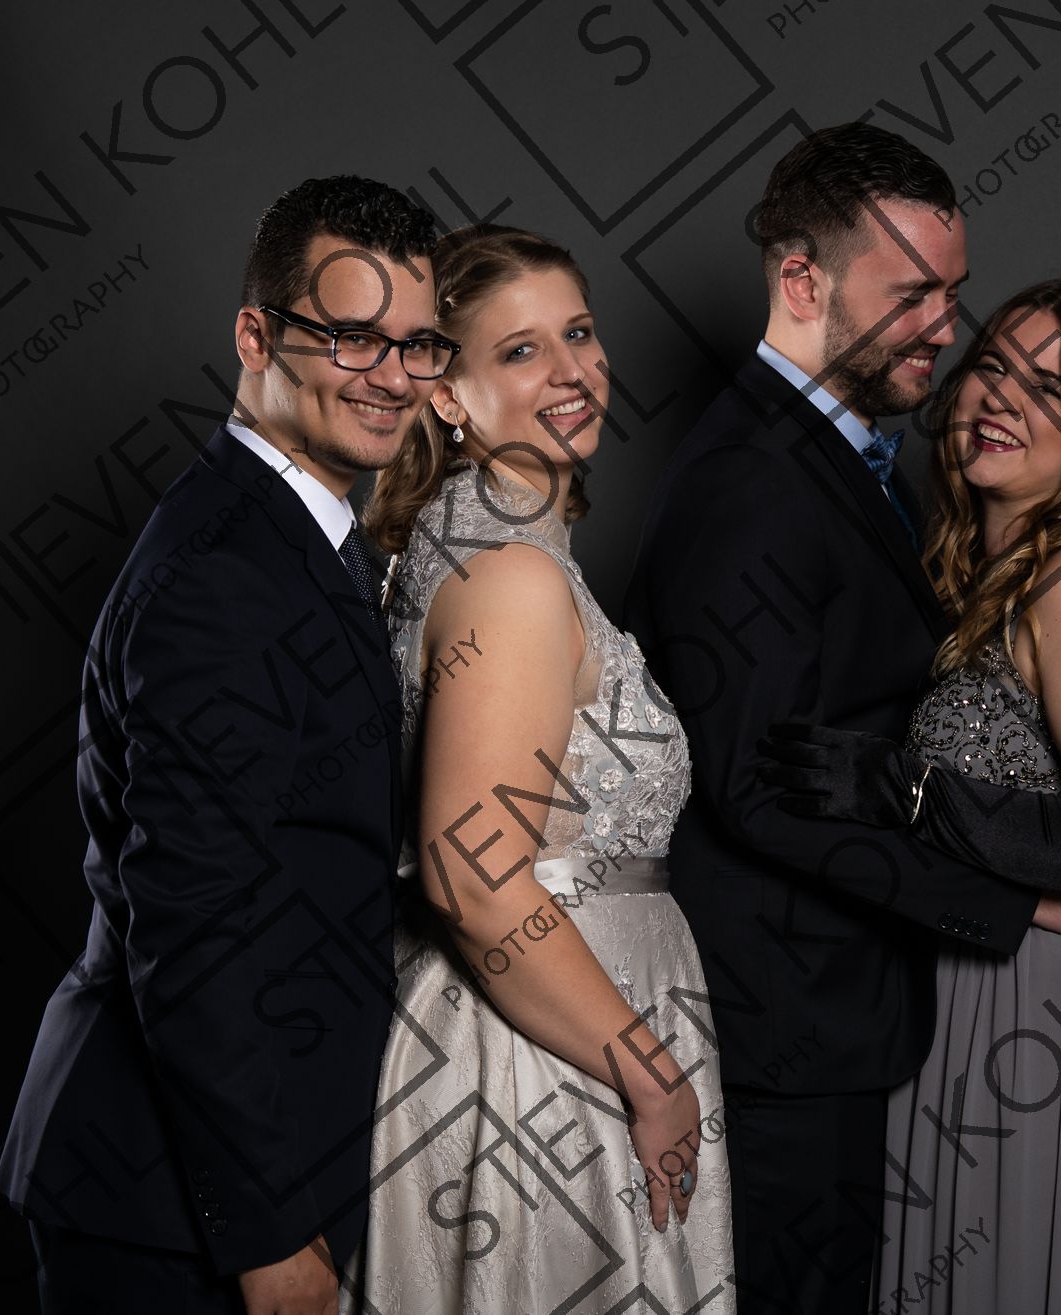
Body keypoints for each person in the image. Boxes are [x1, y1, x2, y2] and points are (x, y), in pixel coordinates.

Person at [622, 123, 1061, 1314]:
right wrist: (1006, 902)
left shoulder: (837, 459)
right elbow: (755, 790)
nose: (943, 328)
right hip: (783, 1029)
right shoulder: (753, 481)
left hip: (845, 1015)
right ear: (801, 281)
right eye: (910, 294)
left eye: (951, 294)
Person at [0, 175, 441, 1313]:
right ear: (255, 336)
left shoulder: (298, 536)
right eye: (351, 337)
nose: (392, 376)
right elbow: (192, 923)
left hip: (237, 1165)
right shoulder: (226, 575)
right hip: (169, 1203)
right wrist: (269, 1230)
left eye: (416, 344)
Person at [762, 279, 1061, 1312]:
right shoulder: (988, 566)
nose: (1000, 397)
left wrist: (902, 788)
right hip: (985, 977)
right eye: (993, 367)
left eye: (1048, 388)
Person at [349, 225, 732, 1312]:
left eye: (579, 332)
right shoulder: (512, 577)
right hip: (549, 1055)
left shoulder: (469, 542)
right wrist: (648, 1072)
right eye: (520, 350)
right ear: (447, 394)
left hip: (562, 1024)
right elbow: (471, 877)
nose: (573, 370)